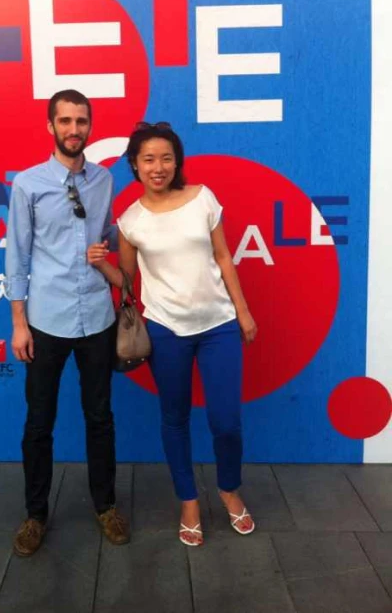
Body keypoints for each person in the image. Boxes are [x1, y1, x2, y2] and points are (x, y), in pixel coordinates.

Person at [88, 121, 257, 547]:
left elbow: (223, 256)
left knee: (227, 422)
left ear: (176, 161)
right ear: (135, 165)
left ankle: (229, 490)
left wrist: (243, 311)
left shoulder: (203, 199)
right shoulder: (130, 221)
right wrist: (101, 264)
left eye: (165, 158)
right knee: (175, 418)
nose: (157, 167)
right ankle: (188, 500)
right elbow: (127, 281)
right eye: (148, 159)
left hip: (218, 325)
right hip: (165, 330)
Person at [5, 89, 130, 557]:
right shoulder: (28, 184)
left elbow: (113, 236)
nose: (73, 129)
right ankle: (35, 514)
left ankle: (106, 505)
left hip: (97, 318)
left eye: (81, 121)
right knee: (39, 423)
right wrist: (19, 323)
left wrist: (116, 248)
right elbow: (17, 255)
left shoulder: (105, 180)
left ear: (90, 126)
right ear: (50, 127)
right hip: (46, 321)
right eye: (65, 121)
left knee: (100, 418)